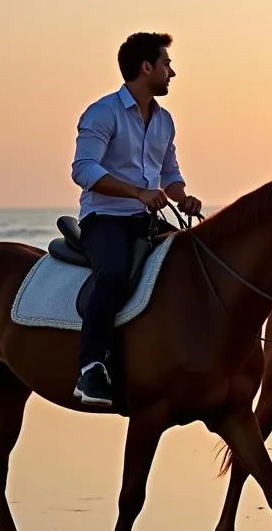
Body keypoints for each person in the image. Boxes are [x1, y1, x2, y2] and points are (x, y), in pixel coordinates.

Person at [70, 32, 202, 407]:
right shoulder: (102, 113)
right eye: (166, 64)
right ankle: (90, 367)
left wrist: (183, 197)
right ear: (147, 68)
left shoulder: (165, 121)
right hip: (105, 219)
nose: (171, 72)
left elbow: (170, 174)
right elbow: (83, 170)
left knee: (193, 264)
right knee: (112, 275)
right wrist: (138, 193)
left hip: (146, 219)